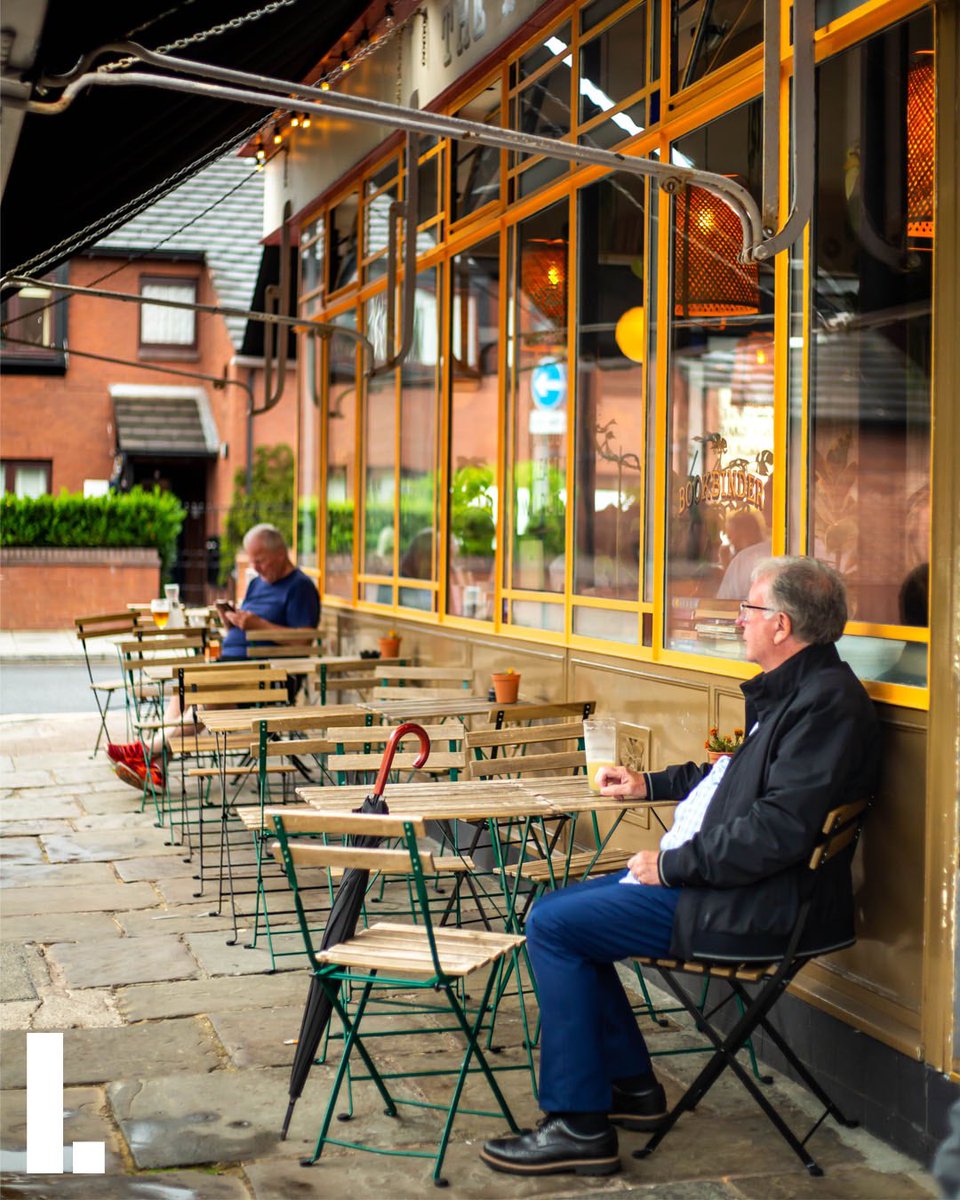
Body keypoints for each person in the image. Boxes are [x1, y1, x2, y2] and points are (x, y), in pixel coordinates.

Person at [480, 556, 881, 1178]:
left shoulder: (822, 705)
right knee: (563, 914)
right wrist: (651, 782)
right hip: (740, 887)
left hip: (756, 907)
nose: (739, 620)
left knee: (555, 925)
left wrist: (673, 867)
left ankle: (579, 1127)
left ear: (780, 625)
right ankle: (632, 1091)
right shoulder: (801, 690)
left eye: (748, 609)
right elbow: (735, 782)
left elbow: (777, 830)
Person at [107, 524, 320, 791]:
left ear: (280, 553)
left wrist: (258, 625)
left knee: (205, 702)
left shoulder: (301, 587)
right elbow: (248, 628)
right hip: (233, 666)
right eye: (252, 560)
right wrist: (232, 622)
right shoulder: (257, 583)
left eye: (260, 560)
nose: (256, 566)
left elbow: (304, 642)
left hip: (267, 677)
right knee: (182, 687)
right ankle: (156, 769)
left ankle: (146, 750)